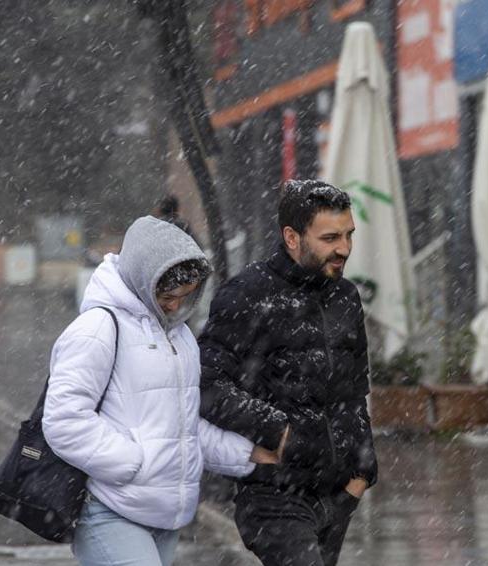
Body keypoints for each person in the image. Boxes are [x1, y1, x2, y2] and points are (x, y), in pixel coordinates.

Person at [43, 215, 279, 566]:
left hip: (164, 518)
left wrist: (245, 454)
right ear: (144, 279)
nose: (175, 306)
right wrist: (133, 463)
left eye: (185, 297)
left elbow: (184, 426)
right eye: (167, 296)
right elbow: (63, 420)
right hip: (109, 510)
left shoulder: (179, 337)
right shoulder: (97, 329)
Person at [199, 179, 378, 566]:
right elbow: (206, 384)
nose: (344, 248)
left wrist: (361, 473)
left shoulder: (345, 297)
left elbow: (353, 391)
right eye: (330, 238)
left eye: (348, 235)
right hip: (274, 497)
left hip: (337, 495)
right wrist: (278, 432)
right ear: (292, 237)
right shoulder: (247, 295)